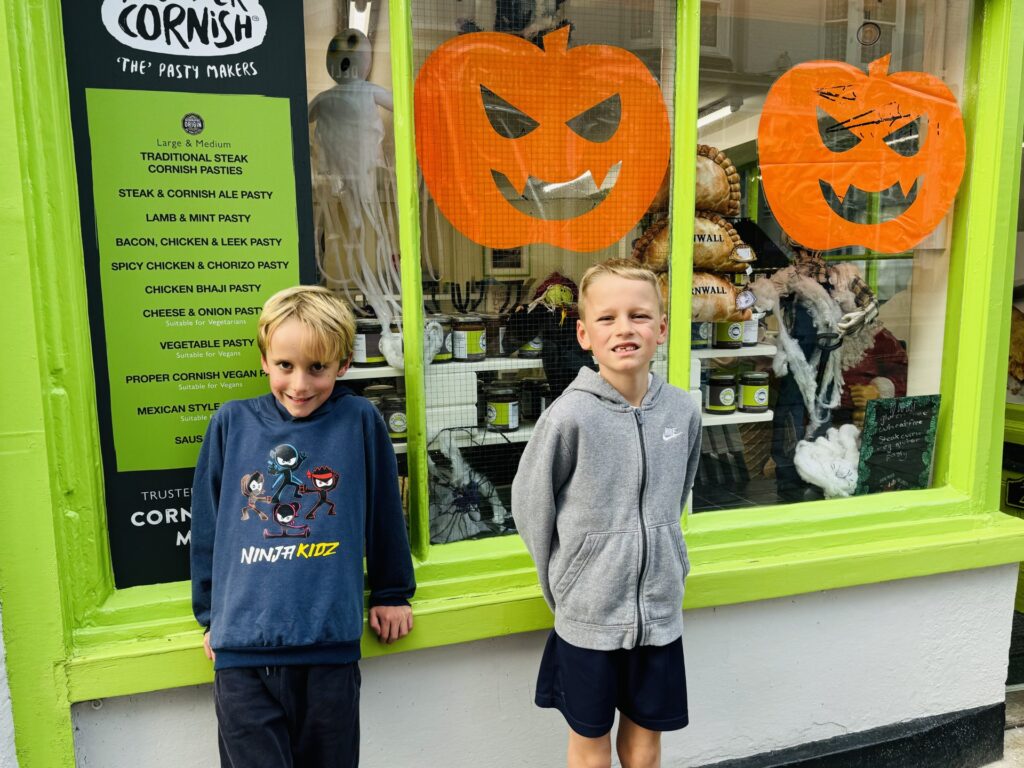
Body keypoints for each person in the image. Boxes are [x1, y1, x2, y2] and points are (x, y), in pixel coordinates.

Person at [191, 285, 415, 768]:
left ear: (343, 365)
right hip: (242, 653)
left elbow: (382, 511)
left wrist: (392, 591)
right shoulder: (230, 423)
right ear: (265, 361)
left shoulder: (359, 420)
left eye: (318, 368)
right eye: (286, 366)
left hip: (327, 649)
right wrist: (210, 615)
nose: (300, 384)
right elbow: (209, 525)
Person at [513, 259, 701, 768]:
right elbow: (532, 507)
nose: (624, 329)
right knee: (590, 745)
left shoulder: (683, 411)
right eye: (607, 318)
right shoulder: (568, 417)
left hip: (659, 614)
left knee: (645, 744)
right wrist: (567, 581)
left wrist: (671, 557)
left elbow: (677, 491)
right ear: (583, 334)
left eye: (639, 316)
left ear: (661, 328)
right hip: (589, 616)